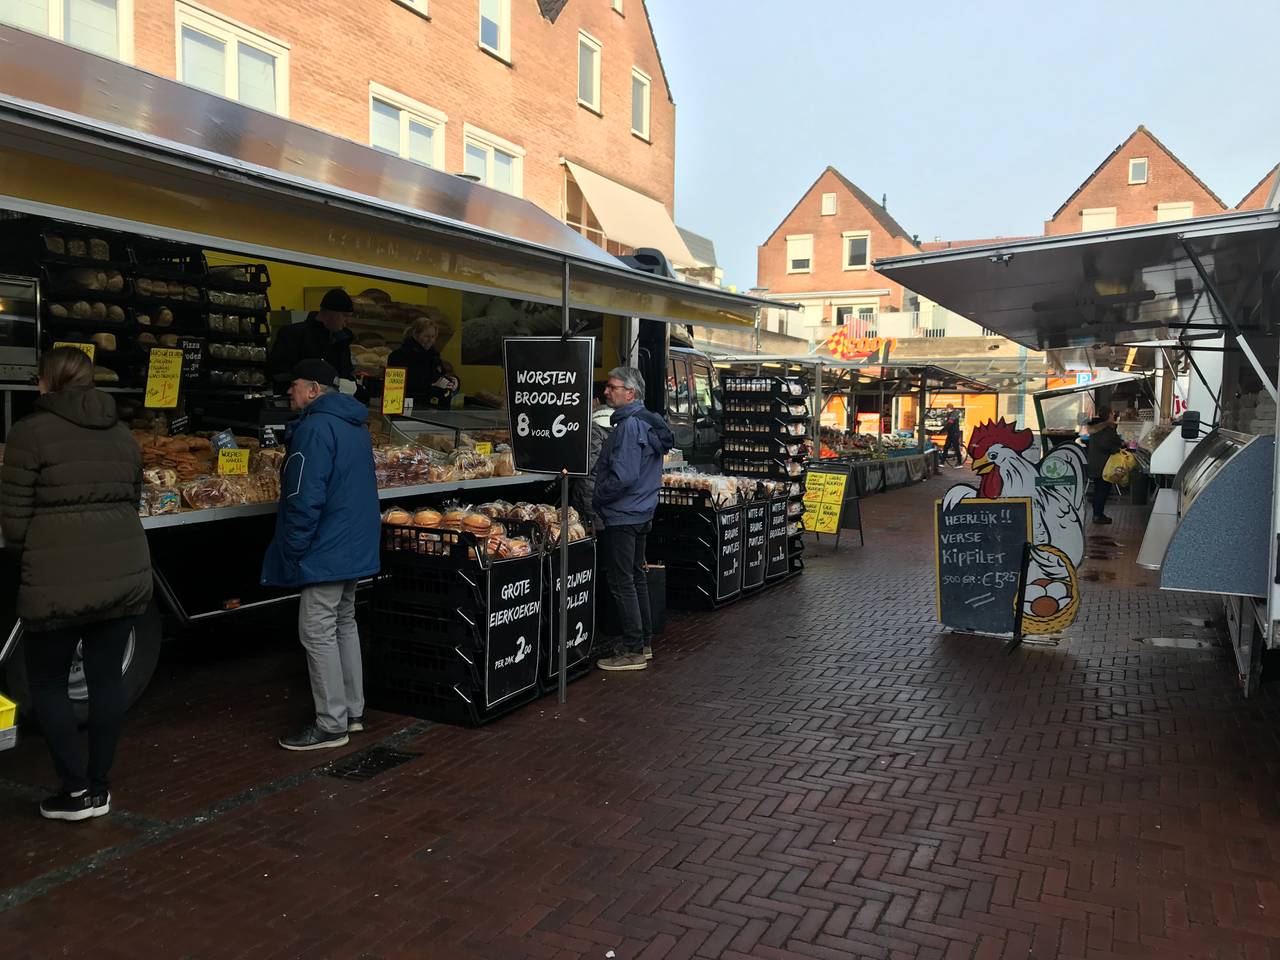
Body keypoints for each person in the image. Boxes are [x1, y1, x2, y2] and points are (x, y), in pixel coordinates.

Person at [0, 347, 152, 820]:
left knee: (46, 683)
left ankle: (73, 789)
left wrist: (36, 554)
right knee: (107, 682)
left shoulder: (28, 434)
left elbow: (14, 519)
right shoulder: (123, 434)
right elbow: (134, 494)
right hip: (123, 572)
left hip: (57, 578)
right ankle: (99, 789)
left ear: (48, 380)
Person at [262, 359, 381, 750]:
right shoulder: (355, 427)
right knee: (343, 622)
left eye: (293, 384)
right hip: (353, 540)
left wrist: (293, 549)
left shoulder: (314, 429)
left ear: (314, 389)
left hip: (325, 546)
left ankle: (331, 723)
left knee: (316, 630)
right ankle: (352, 711)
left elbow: (303, 497)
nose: (288, 392)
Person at [593, 367, 674, 673]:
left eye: (612, 387)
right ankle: (643, 641)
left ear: (630, 393)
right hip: (642, 510)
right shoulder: (648, 423)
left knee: (621, 580)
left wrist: (600, 495)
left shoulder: (628, 427)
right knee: (635, 576)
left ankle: (632, 650)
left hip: (623, 514)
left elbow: (624, 475)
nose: (606, 392)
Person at [268, 288, 359, 394]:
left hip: (331, 403)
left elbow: (346, 375)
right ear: (330, 312)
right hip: (295, 402)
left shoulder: (341, 341)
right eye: (345, 315)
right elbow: (277, 372)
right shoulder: (293, 335)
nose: (348, 321)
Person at [386, 316, 459, 410]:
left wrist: (452, 381)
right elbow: (394, 390)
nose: (430, 340)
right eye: (426, 336)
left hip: (432, 410)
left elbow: (440, 376)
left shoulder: (434, 357)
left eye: (433, 337)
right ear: (415, 335)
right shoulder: (398, 356)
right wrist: (432, 386)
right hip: (407, 408)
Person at [1085, 409, 1124, 524]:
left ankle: (1097, 513)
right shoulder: (1107, 430)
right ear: (1108, 416)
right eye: (1112, 414)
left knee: (1099, 490)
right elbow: (1107, 444)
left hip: (1095, 464)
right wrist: (1117, 448)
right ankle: (1098, 515)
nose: (1114, 416)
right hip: (1105, 466)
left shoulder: (1095, 428)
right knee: (1103, 490)